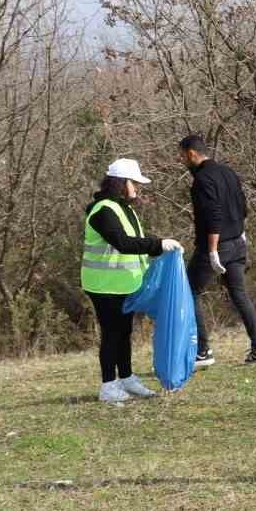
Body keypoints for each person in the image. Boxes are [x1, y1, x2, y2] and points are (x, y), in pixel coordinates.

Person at [82, 159, 182, 403]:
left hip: (123, 284)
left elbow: (137, 238)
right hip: (104, 285)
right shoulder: (103, 210)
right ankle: (108, 385)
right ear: (121, 183)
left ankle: (126, 378)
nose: (137, 188)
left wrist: (161, 243)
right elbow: (123, 243)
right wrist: (158, 245)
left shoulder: (124, 209)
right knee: (111, 334)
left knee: (124, 332)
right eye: (134, 183)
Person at [178, 135, 256, 366]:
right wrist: (241, 233)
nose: (181, 160)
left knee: (188, 292)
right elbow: (243, 207)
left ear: (191, 154)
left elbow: (213, 216)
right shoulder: (228, 173)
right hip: (238, 242)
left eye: (181, 155)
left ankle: (203, 351)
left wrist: (212, 251)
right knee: (239, 294)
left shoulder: (202, 179)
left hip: (217, 245)